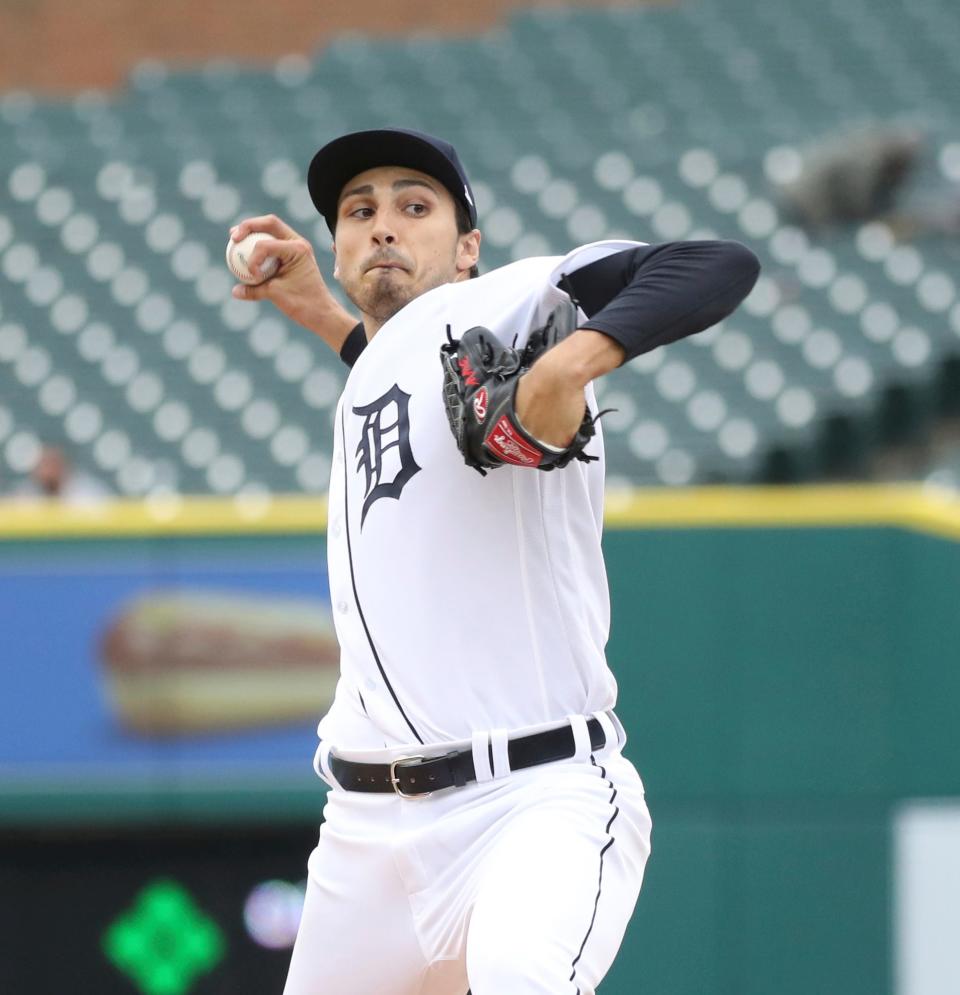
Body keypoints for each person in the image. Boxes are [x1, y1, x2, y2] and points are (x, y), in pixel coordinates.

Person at [229, 127, 760, 995]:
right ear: (335, 246)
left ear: (468, 246)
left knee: (522, 977)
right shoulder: (377, 373)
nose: (383, 227)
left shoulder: (518, 297)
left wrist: (567, 365)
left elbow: (713, 263)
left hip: (533, 797)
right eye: (358, 212)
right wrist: (320, 314)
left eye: (415, 205)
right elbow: (399, 378)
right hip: (366, 831)